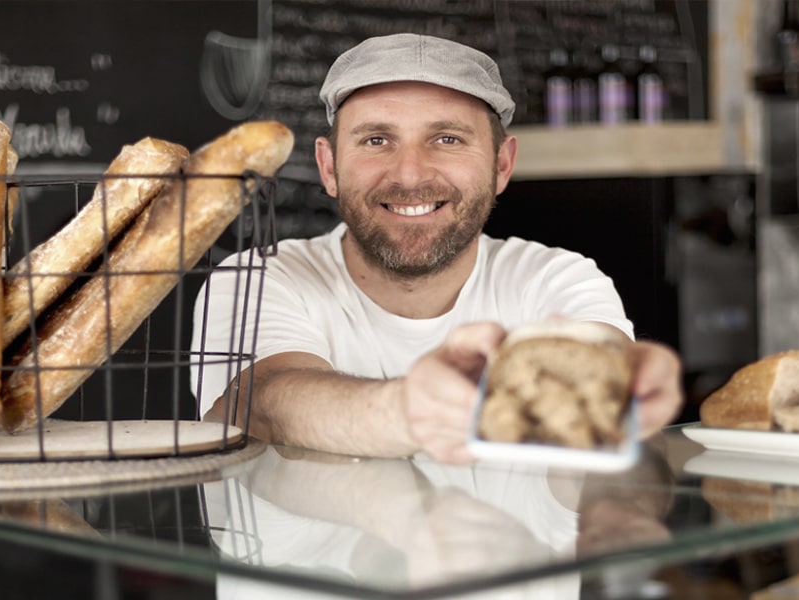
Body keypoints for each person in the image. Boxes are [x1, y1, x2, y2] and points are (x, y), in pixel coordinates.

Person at [190, 33, 683, 464]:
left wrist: (618, 410)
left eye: (447, 138)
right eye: (377, 139)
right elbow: (269, 406)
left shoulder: (556, 279)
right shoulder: (258, 279)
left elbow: (590, 465)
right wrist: (413, 409)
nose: (409, 174)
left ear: (502, 165)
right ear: (329, 167)